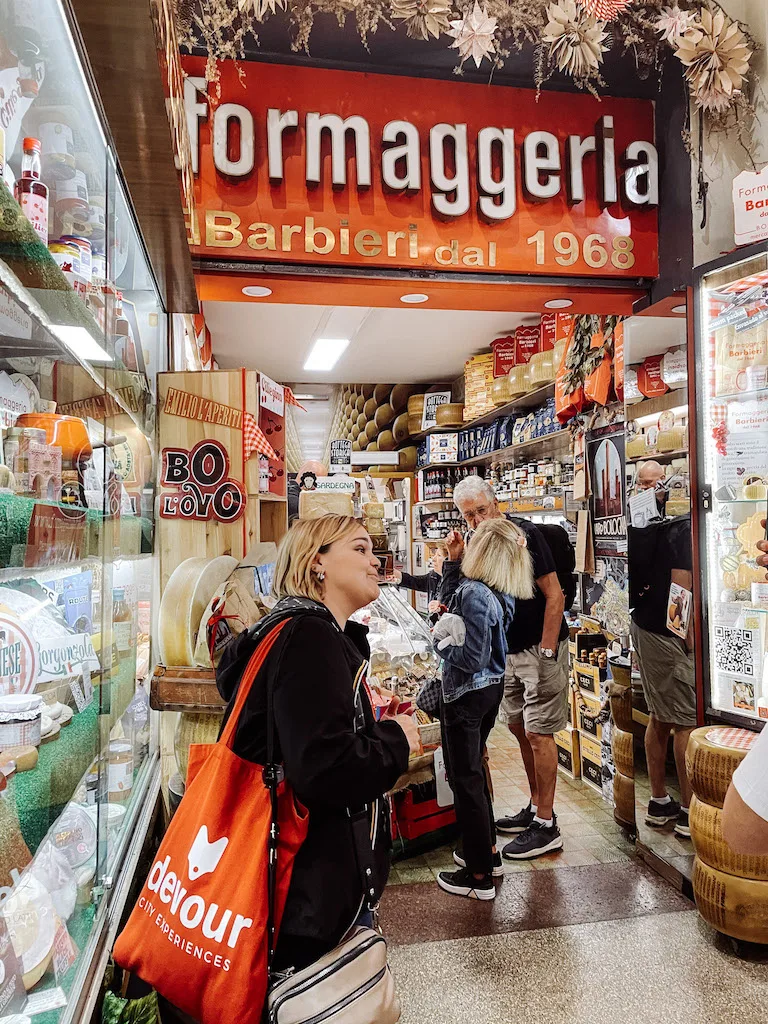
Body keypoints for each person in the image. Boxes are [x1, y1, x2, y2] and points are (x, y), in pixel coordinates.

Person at [212, 518, 417, 979]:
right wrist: (396, 738)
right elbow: (325, 769)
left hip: (292, 892)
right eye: (361, 549)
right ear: (316, 562)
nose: (374, 561)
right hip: (306, 894)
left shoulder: (290, 629)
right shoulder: (310, 637)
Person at [440, 475, 570, 860]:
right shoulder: (477, 542)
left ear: (495, 504)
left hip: (538, 649)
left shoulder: (525, 535)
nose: (478, 520)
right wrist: (454, 558)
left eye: (482, 510)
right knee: (518, 727)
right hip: (506, 653)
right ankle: (534, 805)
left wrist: (547, 651)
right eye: (469, 515)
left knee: (540, 733)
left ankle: (547, 825)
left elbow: (555, 595)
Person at [433, 517, 534, 900]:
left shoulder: (476, 593)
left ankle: (478, 878)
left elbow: (470, 655)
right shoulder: (502, 589)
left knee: (466, 781)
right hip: (489, 691)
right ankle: (488, 854)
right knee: (474, 773)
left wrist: (438, 639)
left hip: (466, 695)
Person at [628, 460, 695, 838]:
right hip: (666, 633)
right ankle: (687, 810)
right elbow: (680, 587)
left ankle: (658, 801)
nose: (655, 490)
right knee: (684, 718)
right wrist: (686, 639)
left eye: (659, 483)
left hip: (645, 626)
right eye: (647, 483)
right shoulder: (678, 527)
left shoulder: (641, 524)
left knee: (661, 714)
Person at [391, 546, 446, 610]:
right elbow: (416, 582)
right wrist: (397, 575)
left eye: (439, 555)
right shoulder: (434, 576)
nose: (433, 559)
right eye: (435, 554)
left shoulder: (457, 584)